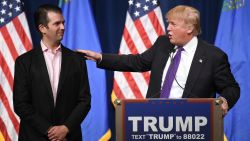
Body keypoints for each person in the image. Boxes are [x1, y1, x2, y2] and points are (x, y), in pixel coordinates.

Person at [78, 5, 240, 116]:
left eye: (173, 24)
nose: (168, 28)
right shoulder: (163, 44)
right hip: (155, 121)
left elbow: (231, 88)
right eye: (168, 23)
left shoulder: (213, 56)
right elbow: (136, 62)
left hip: (193, 124)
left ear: (189, 28)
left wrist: (223, 100)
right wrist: (100, 57)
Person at [13, 4, 91, 141]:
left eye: (63, 23)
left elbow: (84, 101)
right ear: (42, 28)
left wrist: (66, 128)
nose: (63, 27)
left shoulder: (77, 60)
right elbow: (21, 104)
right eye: (57, 23)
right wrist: (49, 130)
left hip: (69, 136)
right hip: (34, 136)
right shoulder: (24, 62)